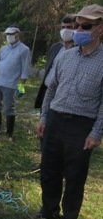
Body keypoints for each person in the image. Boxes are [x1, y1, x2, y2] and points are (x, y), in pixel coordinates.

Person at [36, 4, 103, 219]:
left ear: (100, 29)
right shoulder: (65, 56)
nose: (79, 30)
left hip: (81, 125)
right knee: (49, 170)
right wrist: (44, 117)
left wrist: (96, 132)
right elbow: (51, 89)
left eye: (86, 26)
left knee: (75, 176)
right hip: (55, 119)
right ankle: (49, 210)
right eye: (77, 25)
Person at [0, 25, 30, 141]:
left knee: (9, 108)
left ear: (17, 35)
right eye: (7, 34)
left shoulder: (24, 50)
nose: (8, 36)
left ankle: (9, 134)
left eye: (10, 34)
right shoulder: (4, 49)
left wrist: (22, 84)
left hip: (10, 84)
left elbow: (25, 69)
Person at [34, 15, 76, 151]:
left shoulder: (79, 50)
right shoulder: (56, 47)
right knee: (44, 125)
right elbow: (49, 68)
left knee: (59, 129)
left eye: (69, 27)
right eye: (63, 27)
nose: (65, 30)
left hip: (64, 95)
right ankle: (44, 158)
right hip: (48, 91)